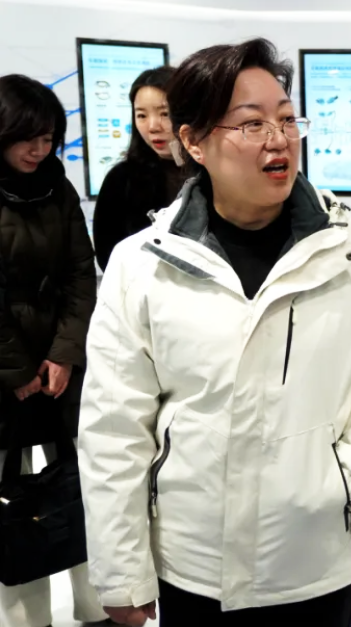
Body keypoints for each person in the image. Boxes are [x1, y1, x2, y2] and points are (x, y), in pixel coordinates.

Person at [77, 39, 351, 627]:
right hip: (192, 560)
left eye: (286, 119)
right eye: (252, 124)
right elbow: (113, 425)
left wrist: (346, 474)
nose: (279, 139)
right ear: (194, 142)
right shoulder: (142, 265)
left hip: (313, 555)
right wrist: (121, 569)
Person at [0, 74, 104, 627]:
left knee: (81, 484)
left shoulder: (57, 187)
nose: (39, 150)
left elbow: (80, 274)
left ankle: (98, 606)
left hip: (61, 366)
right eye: (27, 137)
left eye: (48, 138)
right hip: (6, 375)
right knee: (10, 502)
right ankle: (26, 620)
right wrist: (16, 370)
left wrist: (65, 353)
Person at [93, 65, 188, 271]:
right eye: (142, 115)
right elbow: (108, 256)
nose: (153, 126)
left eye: (165, 113)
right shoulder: (121, 179)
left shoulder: (212, 172)